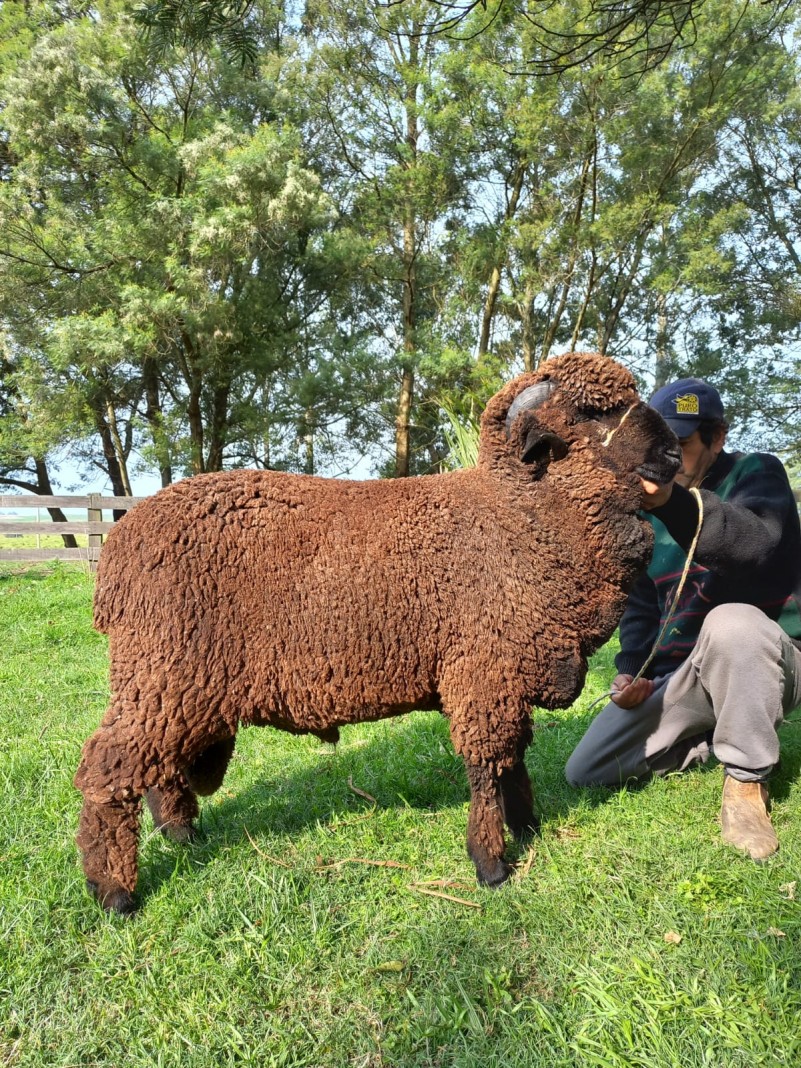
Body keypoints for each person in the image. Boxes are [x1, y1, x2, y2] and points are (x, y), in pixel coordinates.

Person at [566, 376, 801, 860]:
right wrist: (635, 671)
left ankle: (745, 783)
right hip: (690, 672)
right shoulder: (645, 514)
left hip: (772, 659)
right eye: (657, 443)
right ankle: (712, 738)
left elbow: (761, 546)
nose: (666, 457)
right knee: (587, 770)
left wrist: (673, 502)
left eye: (682, 444)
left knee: (732, 622)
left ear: (718, 438)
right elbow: (641, 606)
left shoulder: (758, 474)